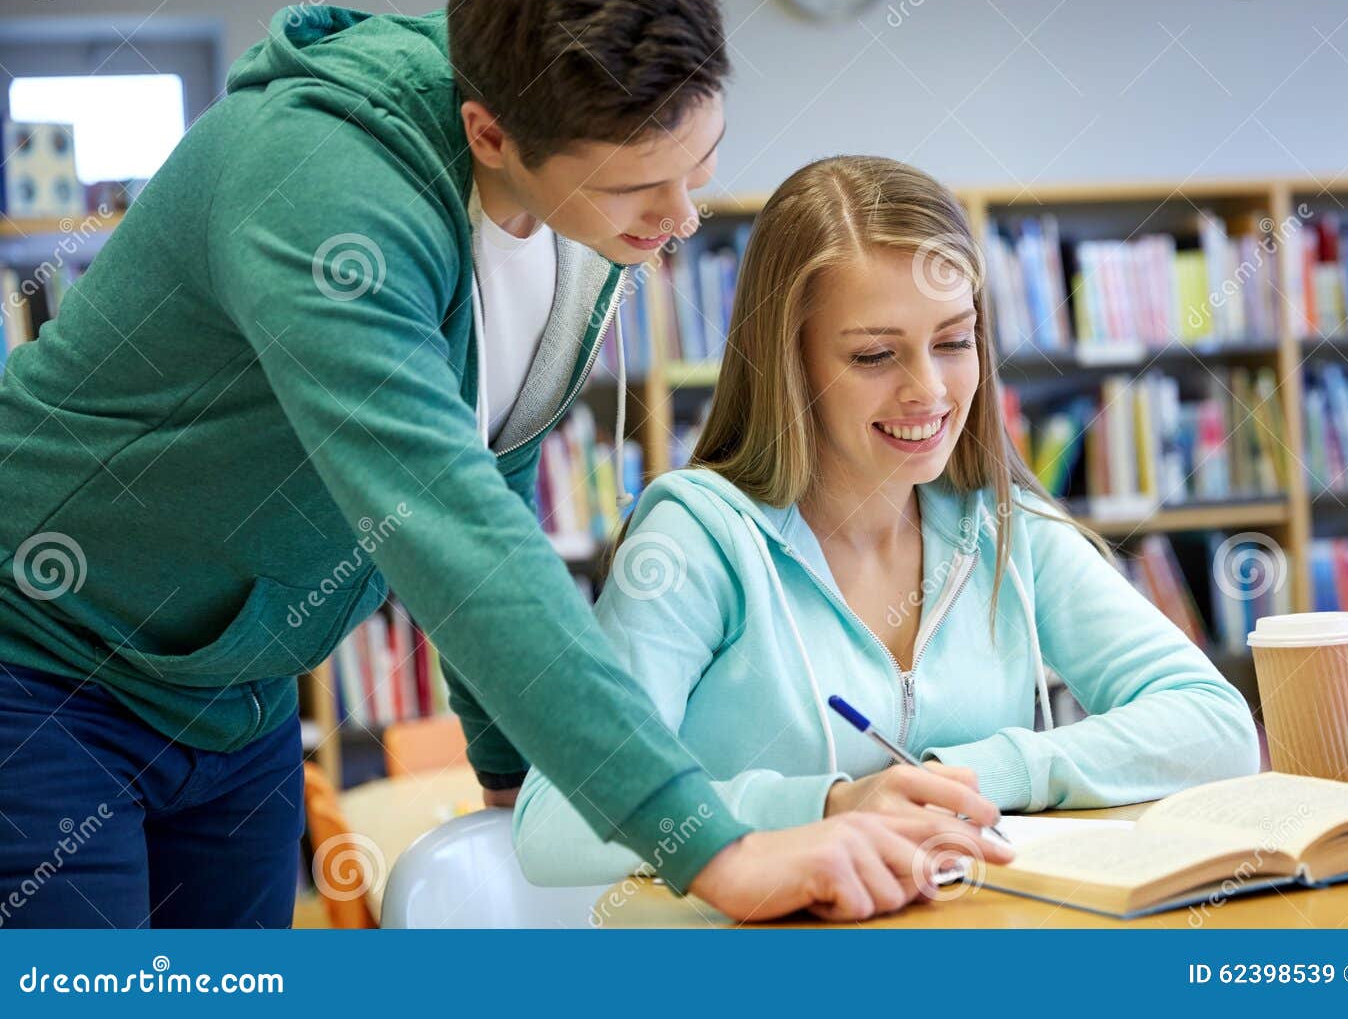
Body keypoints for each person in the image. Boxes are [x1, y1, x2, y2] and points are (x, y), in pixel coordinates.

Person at [0, 0, 1006, 929]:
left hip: (235, 697)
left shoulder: (576, 198)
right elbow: (445, 522)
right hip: (43, 667)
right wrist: (714, 844)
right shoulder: (318, 192)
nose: (679, 221)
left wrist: (509, 775)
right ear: (490, 134)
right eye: (634, 189)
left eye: (699, 165)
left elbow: (500, 452)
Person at [512, 155, 1262, 886]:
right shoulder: (697, 540)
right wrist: (829, 808)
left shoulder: (1004, 526)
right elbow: (555, 823)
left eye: (952, 341)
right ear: (790, 362)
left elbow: (1215, 725)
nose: (930, 391)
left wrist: (970, 777)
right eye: (875, 355)